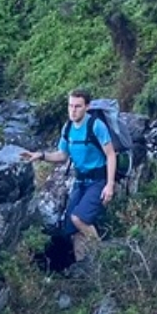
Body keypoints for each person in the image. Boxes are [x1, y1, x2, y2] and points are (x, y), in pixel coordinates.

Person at [33, 88, 123, 265]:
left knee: (79, 218)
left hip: (98, 180)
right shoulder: (68, 128)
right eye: (70, 106)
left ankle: (102, 255)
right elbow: (62, 155)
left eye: (78, 106)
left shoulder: (96, 125)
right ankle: (83, 267)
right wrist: (41, 155)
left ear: (87, 107)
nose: (73, 110)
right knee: (72, 229)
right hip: (80, 181)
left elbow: (111, 154)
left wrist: (110, 185)